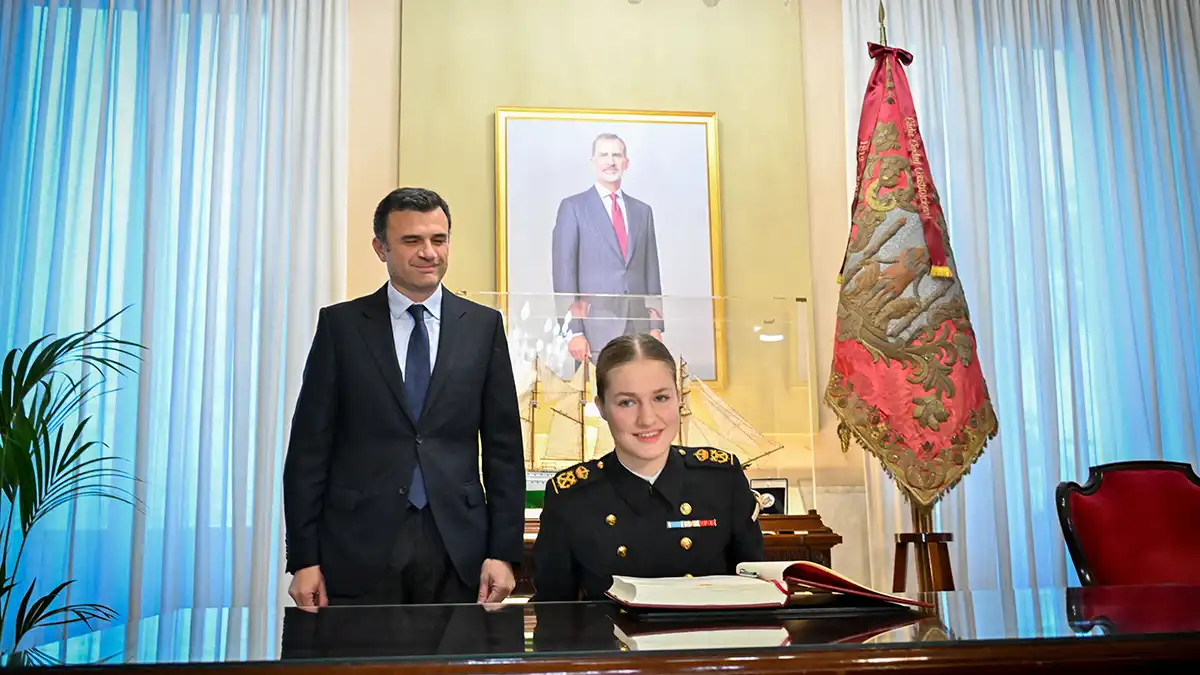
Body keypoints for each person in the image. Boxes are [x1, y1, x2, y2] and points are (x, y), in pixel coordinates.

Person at [283, 187, 525, 607]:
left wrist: (503, 552)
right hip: (357, 547)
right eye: (412, 240)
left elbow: (505, 451)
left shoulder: (483, 328)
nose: (429, 252)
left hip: (458, 547)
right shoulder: (341, 328)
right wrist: (304, 558)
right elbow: (308, 451)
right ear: (381, 248)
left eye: (439, 239)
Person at [530, 333, 764, 602]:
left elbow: (754, 595)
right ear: (602, 408)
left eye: (661, 398)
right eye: (627, 402)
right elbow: (553, 614)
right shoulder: (571, 497)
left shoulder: (722, 480)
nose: (647, 418)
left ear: (678, 397)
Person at [551, 133, 664, 364]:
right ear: (593, 161)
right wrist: (574, 331)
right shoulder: (573, 207)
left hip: (639, 329)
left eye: (616, 155)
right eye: (604, 154)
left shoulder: (643, 211)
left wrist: (656, 327)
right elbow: (564, 274)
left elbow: (651, 272)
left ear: (626, 162)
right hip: (594, 331)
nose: (610, 161)